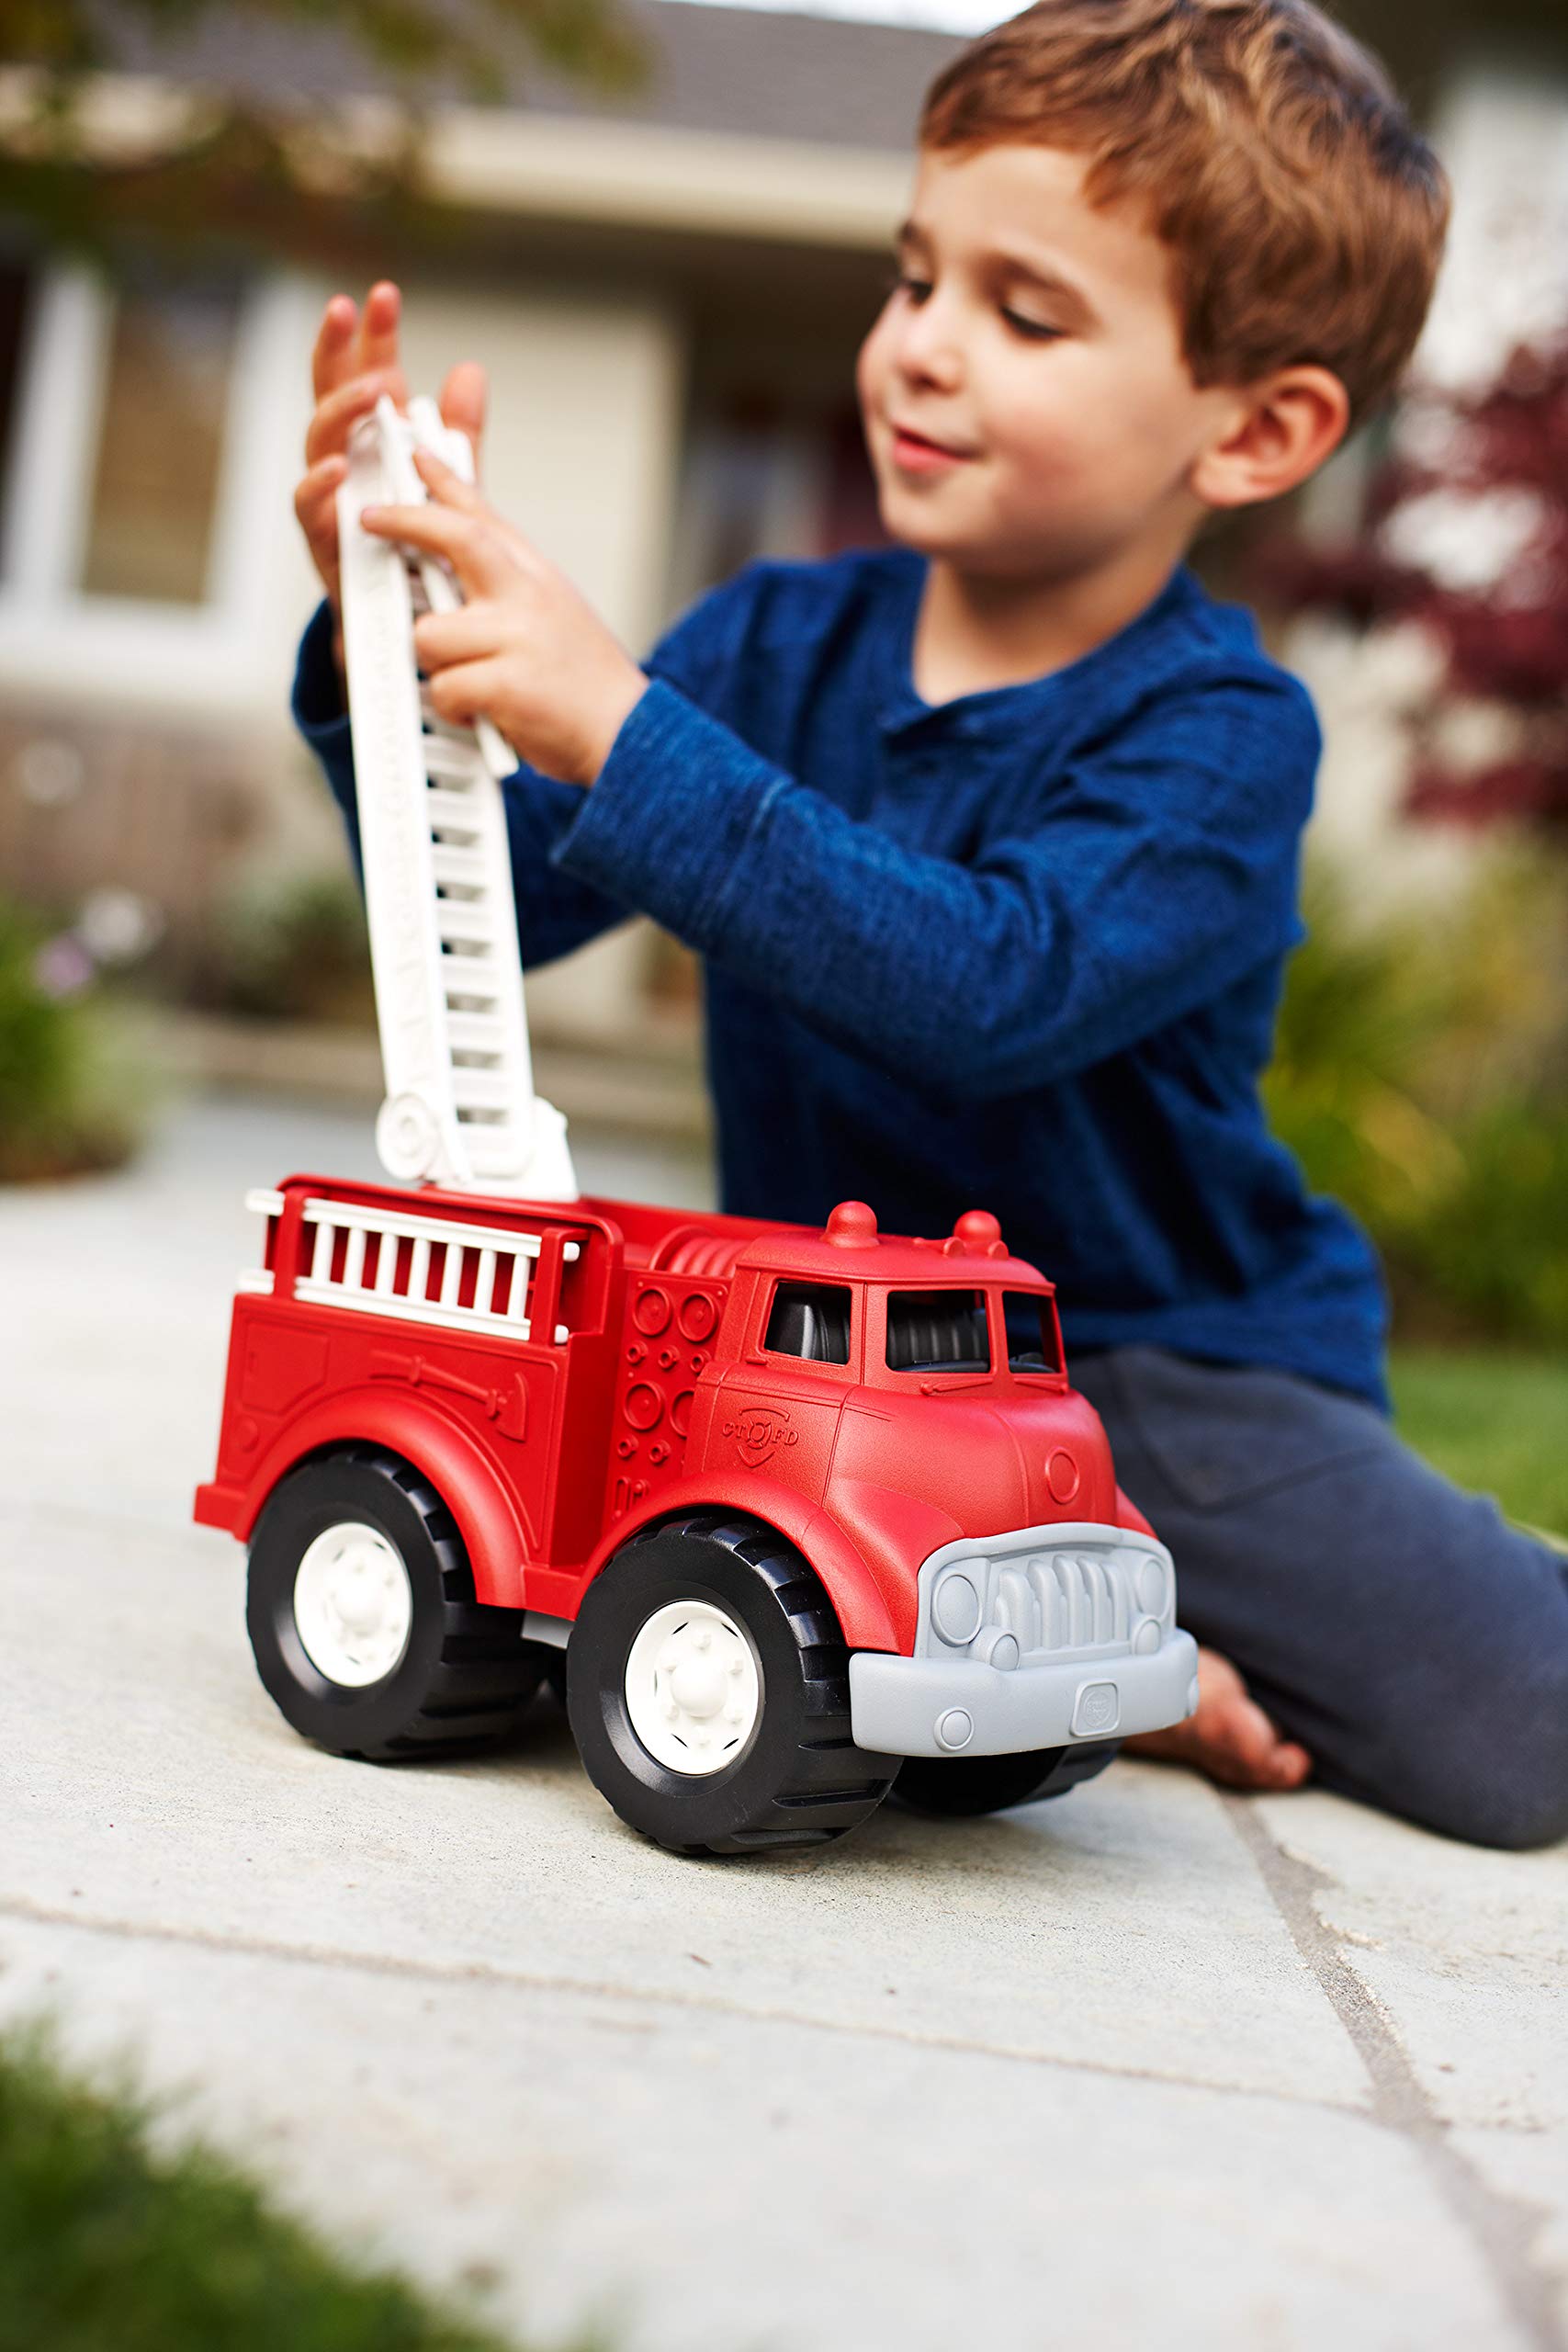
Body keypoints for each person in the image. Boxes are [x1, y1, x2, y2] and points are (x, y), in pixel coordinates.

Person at [290, 0, 1568, 1849]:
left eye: (1022, 312)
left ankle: (1149, 1612)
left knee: (1511, 1729)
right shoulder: (768, 641)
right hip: (806, 1353)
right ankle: (1096, 1660)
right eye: (913, 279)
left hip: (1138, 1365)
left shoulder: (1216, 734)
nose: (919, 351)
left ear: (1254, 427)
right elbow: (513, 899)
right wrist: (376, 629)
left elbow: (986, 981)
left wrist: (626, 725)